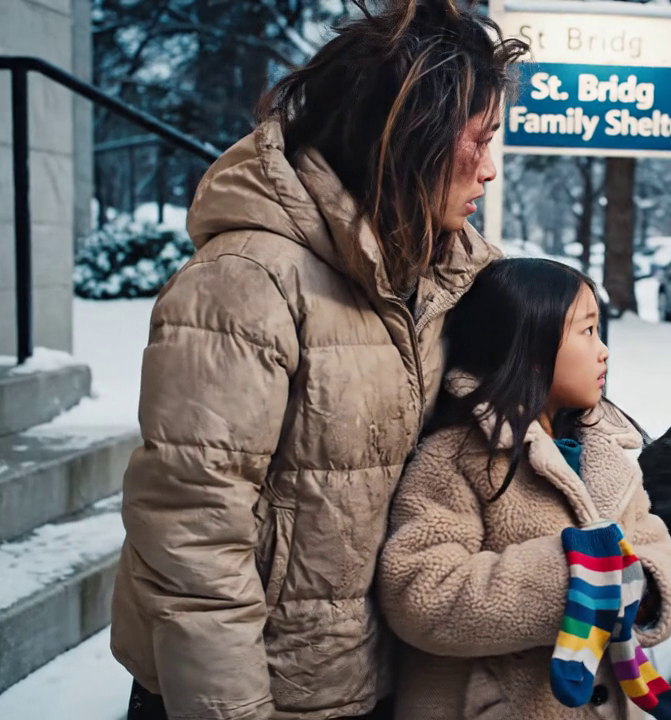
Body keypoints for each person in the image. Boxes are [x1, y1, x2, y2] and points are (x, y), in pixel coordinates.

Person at [110, 2, 527, 718]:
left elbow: (552, 393)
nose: (490, 169)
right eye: (479, 140)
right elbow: (192, 536)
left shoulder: (446, 277)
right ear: (409, 138)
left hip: (376, 680)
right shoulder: (245, 281)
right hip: (257, 693)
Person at [377, 258, 671, 720]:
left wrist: (641, 591)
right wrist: (575, 580)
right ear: (532, 348)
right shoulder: (462, 455)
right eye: (587, 332)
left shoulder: (604, 453)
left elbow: (656, 550)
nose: (603, 351)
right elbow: (419, 592)